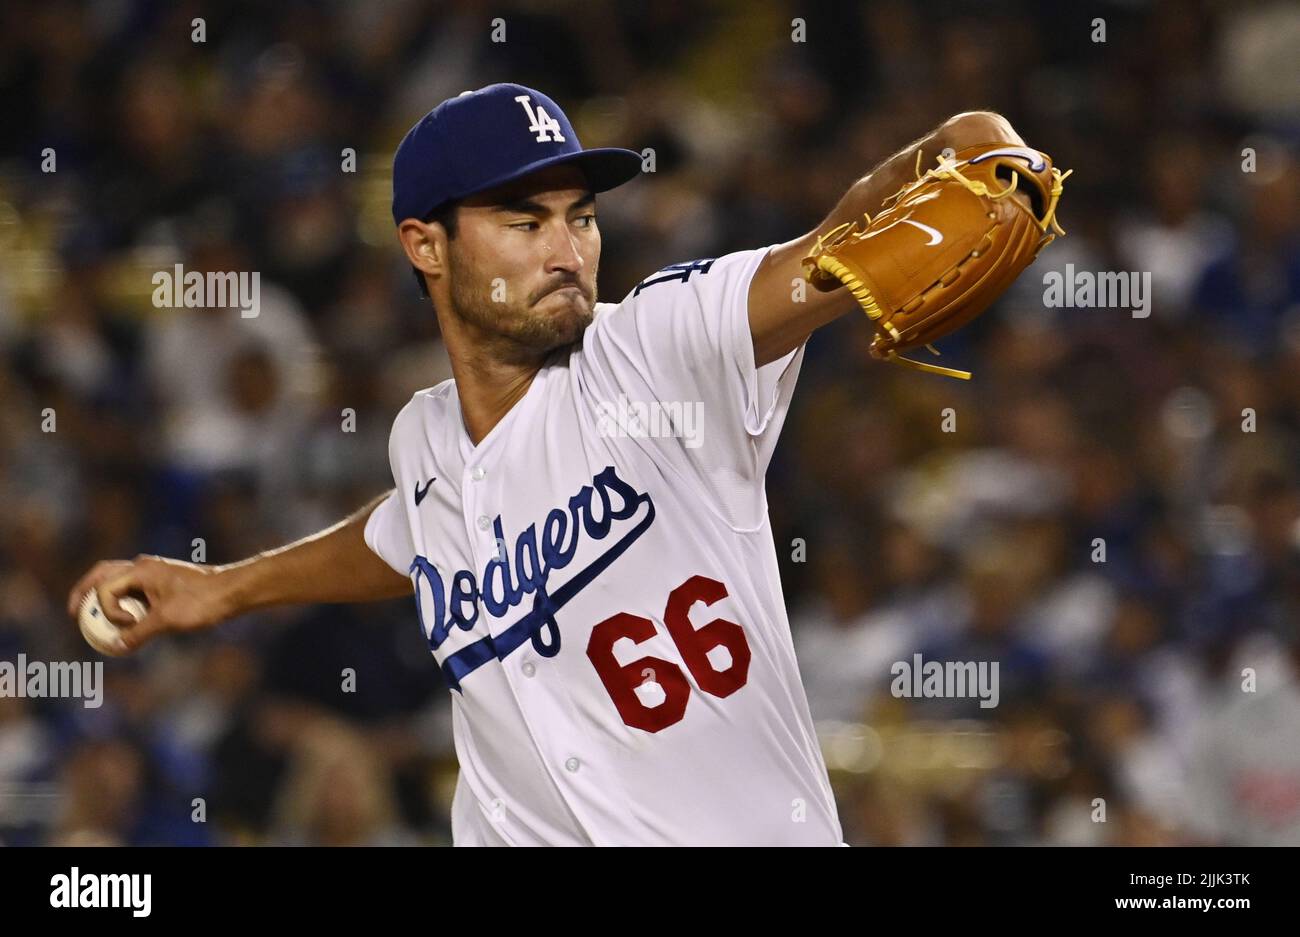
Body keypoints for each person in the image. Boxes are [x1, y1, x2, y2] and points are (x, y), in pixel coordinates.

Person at [68, 83, 1028, 846]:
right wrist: (224, 590)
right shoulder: (425, 438)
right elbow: (399, 532)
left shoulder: (659, 347)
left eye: (581, 216)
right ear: (425, 245)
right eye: (524, 223)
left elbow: (834, 241)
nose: (568, 249)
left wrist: (961, 148)